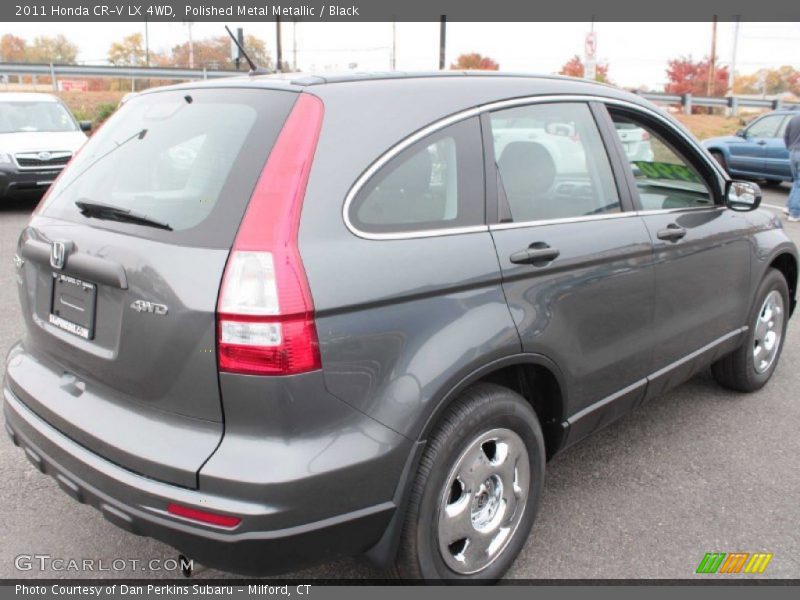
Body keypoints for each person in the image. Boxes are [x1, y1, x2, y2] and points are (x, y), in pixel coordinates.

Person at [783, 110, 800, 222]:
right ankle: (794, 213)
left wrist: (790, 148)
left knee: (797, 181)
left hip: (793, 153)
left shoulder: (794, 118)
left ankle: (788, 207)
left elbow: (785, 136)